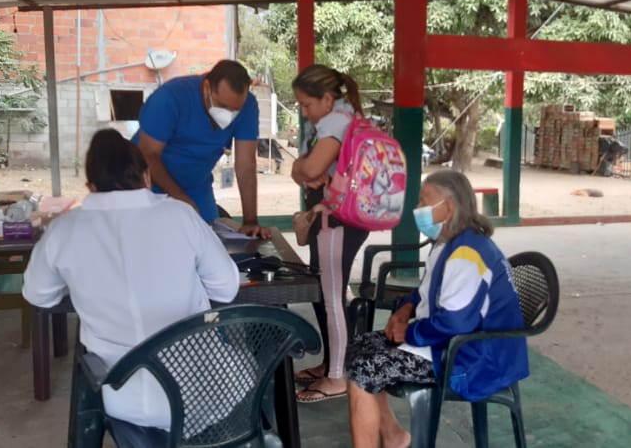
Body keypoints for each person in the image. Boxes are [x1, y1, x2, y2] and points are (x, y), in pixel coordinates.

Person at [23, 129, 240, 447]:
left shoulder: (63, 230)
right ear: (147, 176)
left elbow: (38, 294)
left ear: (90, 187)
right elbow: (226, 288)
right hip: (200, 395)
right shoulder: (181, 216)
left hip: (124, 401)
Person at [345, 170, 528, 448]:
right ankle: (394, 437)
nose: (418, 208)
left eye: (424, 201)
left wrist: (409, 333)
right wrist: (405, 310)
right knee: (359, 347)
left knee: (364, 370)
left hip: (472, 356)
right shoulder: (447, 242)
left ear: (449, 207)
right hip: (452, 342)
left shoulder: (467, 254)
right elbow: (425, 290)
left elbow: (456, 322)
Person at [289, 64, 371, 403]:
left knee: (333, 297)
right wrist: (303, 170)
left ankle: (338, 377)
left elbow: (308, 168)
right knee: (325, 293)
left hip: (338, 220)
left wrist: (302, 168)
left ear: (326, 98)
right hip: (332, 219)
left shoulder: (337, 121)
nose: (304, 112)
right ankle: (331, 364)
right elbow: (304, 172)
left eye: (306, 104)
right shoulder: (332, 122)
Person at [132, 59, 271, 238]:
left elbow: (246, 165)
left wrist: (250, 222)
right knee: (152, 239)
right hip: (147, 183)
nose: (229, 114)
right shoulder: (170, 97)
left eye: (235, 110)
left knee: (208, 239)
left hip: (196, 187)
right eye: (222, 106)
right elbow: (147, 154)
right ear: (206, 88)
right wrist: (180, 199)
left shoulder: (248, 105)